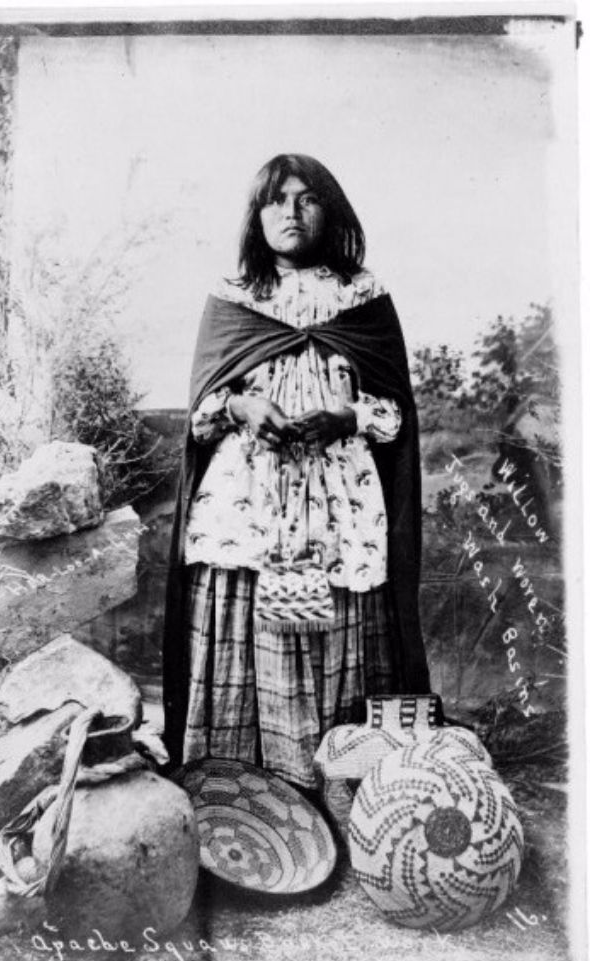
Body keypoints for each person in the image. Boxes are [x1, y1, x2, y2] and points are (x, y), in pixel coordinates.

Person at [163, 154, 429, 789]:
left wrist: (348, 415)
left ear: (329, 212)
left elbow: (395, 416)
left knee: (338, 634)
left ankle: (339, 797)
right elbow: (200, 418)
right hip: (248, 509)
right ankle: (235, 796)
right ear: (257, 215)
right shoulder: (233, 299)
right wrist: (242, 407)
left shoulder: (362, 298)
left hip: (341, 509)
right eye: (277, 200)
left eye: (307, 199)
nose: (291, 211)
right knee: (245, 626)